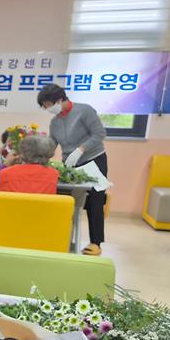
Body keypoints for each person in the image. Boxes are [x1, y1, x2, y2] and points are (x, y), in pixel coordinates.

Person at [38, 84, 108, 256]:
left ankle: (95, 242)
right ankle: (65, 237)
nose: (47, 109)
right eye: (45, 107)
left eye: (48, 105)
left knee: (95, 202)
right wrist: (41, 155)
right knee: (69, 202)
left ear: (60, 99)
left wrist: (81, 149)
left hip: (94, 159)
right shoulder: (54, 122)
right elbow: (52, 143)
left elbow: (99, 133)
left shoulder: (85, 111)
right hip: (70, 163)